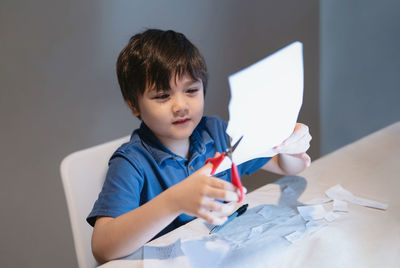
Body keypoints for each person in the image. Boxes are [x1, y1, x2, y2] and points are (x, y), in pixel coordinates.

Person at [87, 29, 312, 264]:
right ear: (134, 105)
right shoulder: (131, 162)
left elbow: (285, 166)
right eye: (163, 96)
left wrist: (290, 145)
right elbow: (103, 248)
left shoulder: (215, 132)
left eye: (191, 90)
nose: (181, 106)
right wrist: (174, 201)